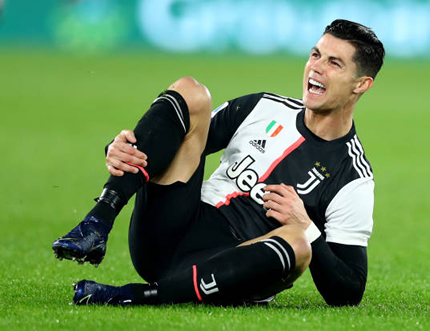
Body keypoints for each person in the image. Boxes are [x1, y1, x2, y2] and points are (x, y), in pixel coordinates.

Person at [52, 19, 385, 307]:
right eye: (315, 55)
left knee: (297, 244)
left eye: (334, 63)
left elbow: (348, 291)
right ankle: (98, 221)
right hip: (169, 233)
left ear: (361, 85)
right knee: (190, 92)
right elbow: (171, 138)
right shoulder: (263, 107)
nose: (316, 67)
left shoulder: (352, 176)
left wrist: (307, 227)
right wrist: (117, 148)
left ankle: (134, 297)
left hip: (227, 272)